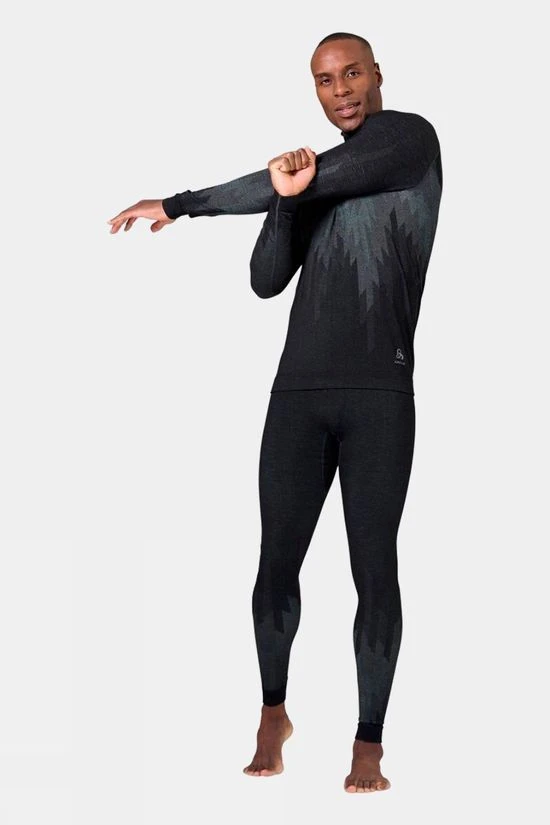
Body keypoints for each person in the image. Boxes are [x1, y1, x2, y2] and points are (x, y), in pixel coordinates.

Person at [108, 32, 442, 793]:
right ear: (314, 91)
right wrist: (286, 203)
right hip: (296, 394)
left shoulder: (408, 141)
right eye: (324, 80)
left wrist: (183, 204)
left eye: (351, 73)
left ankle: (368, 740)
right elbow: (265, 280)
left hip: (379, 394)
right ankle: (273, 713)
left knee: (373, 567)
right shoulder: (307, 181)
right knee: (275, 564)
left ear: (377, 74)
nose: (340, 89)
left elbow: (308, 178)